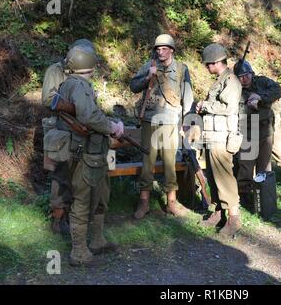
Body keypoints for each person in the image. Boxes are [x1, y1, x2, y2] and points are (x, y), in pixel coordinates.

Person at [56, 44, 124, 266]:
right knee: (83, 200)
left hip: (87, 153)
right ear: (90, 65)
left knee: (99, 196)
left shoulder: (68, 84)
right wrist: (112, 127)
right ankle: (79, 253)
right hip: (85, 154)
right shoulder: (80, 86)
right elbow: (89, 116)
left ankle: (96, 241)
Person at [130, 34, 193, 219]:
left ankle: (171, 202)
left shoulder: (181, 69)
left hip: (171, 120)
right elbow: (133, 86)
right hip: (150, 119)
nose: (161, 52)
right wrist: (147, 77)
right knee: (147, 162)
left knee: (169, 163)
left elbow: (187, 96)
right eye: (158, 49)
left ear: (172, 50)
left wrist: (186, 121)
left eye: (164, 48)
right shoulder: (149, 65)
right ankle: (144, 202)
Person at [41, 39, 96, 235]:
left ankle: (75, 215)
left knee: (77, 175)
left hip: (77, 131)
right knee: (60, 174)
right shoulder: (55, 71)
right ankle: (57, 218)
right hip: (59, 130)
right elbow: (49, 100)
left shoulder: (82, 72)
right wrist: (77, 108)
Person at [196, 43, 242, 236]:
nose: (207, 67)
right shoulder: (220, 80)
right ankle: (218, 212)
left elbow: (229, 108)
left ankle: (233, 218)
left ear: (216, 62)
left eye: (208, 64)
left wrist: (205, 106)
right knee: (214, 178)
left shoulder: (231, 81)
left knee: (224, 177)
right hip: (212, 135)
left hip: (222, 136)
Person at [233, 60, 281, 208]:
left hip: (266, 130)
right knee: (246, 168)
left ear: (252, 73)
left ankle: (265, 199)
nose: (244, 79)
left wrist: (259, 97)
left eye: (246, 75)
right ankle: (245, 198)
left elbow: (277, 90)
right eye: (240, 76)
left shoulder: (261, 82)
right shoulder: (235, 90)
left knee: (264, 168)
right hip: (247, 131)